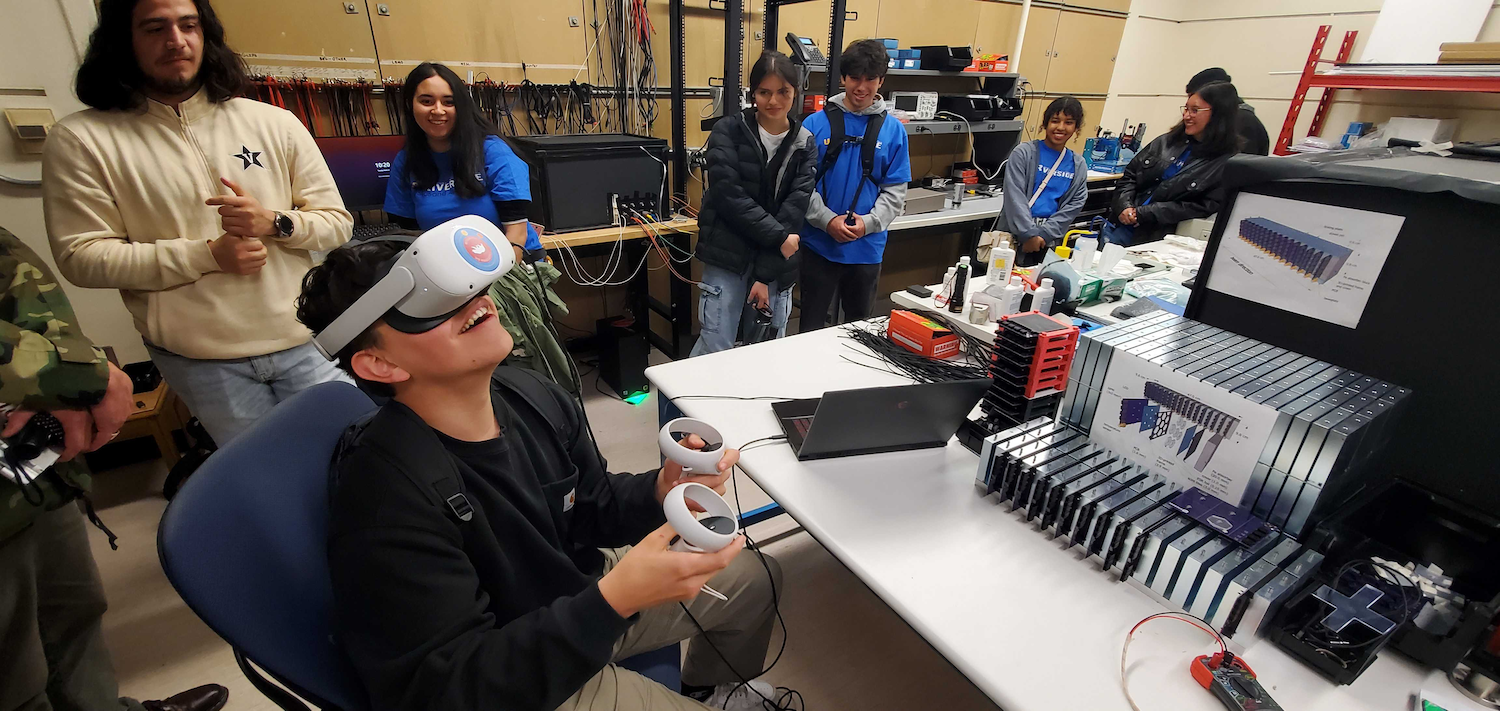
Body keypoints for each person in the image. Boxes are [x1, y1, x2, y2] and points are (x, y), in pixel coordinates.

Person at [295, 239, 790, 711]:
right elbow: (446, 691)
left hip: (573, 594)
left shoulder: (532, 394)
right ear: (379, 364)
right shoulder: (385, 497)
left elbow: (589, 504)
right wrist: (616, 599)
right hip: (511, 667)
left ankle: (709, 688)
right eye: (427, 307)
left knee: (756, 577)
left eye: (461, 287)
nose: (474, 301)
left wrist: (661, 490)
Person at [42, 0, 353, 448]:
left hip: (308, 337)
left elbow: (336, 224)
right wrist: (206, 256)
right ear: (122, 40)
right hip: (204, 361)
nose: (176, 40)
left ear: (205, 34)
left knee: (355, 460)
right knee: (267, 482)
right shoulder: (81, 140)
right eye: (154, 28)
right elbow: (82, 257)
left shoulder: (275, 122)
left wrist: (275, 222)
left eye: (188, 25)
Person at [0, 226, 228, 711]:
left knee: (72, 612)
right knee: (11, 665)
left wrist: (60, 386)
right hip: (44, 400)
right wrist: (79, 376)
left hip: (31, 463)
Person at [383, 62, 577, 391]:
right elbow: (406, 235)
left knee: (517, 359)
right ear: (409, 105)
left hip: (503, 264)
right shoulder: (408, 161)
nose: (438, 110)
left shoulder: (491, 152)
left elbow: (515, 233)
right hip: (446, 276)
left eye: (448, 101)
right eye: (426, 101)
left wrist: (477, 284)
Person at [690, 51, 816, 356]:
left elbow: (793, 211)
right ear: (753, 93)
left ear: (795, 93)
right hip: (728, 257)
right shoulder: (728, 131)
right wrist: (779, 237)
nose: (773, 101)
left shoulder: (805, 143)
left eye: (783, 92)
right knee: (714, 348)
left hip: (774, 265)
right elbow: (728, 196)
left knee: (766, 354)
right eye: (764, 92)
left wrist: (764, 274)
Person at [798, 39, 912, 332]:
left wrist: (869, 223)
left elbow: (895, 191)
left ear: (881, 81)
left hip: (867, 248)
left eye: (870, 79)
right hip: (819, 246)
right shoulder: (814, 125)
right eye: (854, 78)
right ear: (843, 79)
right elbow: (801, 186)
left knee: (859, 332)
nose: (861, 87)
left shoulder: (894, 130)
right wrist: (827, 221)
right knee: (809, 329)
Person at [1105, 82, 1241, 246]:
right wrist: (1124, 206)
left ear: (1218, 115)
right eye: (1186, 109)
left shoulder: (1223, 163)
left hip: (1156, 238)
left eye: (1195, 111)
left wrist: (1147, 213)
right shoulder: (1165, 142)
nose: (1187, 116)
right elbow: (1131, 175)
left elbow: (1203, 206)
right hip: (1120, 226)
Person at [1001, 96, 1089, 267]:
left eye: (1069, 122)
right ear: (1046, 122)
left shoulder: (1078, 165)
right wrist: (1029, 234)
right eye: (1055, 121)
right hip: (1015, 236)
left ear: (1076, 127)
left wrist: (1043, 235)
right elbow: (1015, 196)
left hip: (1049, 241)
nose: (1061, 127)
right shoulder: (1024, 153)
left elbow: (1075, 203)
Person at [1187, 67, 1269, 156]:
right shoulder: (1235, 118)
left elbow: (1240, 165)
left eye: (1195, 109)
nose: (1187, 115)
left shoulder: (1242, 121)